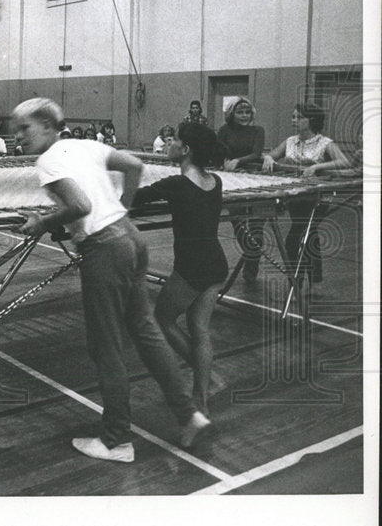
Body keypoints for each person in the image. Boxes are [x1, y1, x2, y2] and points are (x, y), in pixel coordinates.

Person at [11, 97, 209, 462]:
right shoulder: (86, 145)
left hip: (105, 249)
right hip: (130, 237)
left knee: (106, 347)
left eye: (25, 128)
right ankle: (189, 413)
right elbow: (134, 166)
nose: (17, 135)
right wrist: (124, 206)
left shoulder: (49, 159)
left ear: (49, 125)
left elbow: (81, 206)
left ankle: (117, 440)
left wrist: (43, 222)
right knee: (146, 333)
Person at [133, 123, 229, 416]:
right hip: (216, 263)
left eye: (173, 139)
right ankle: (203, 392)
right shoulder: (215, 181)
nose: (168, 143)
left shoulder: (176, 185)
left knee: (163, 318)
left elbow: (137, 198)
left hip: (192, 267)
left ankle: (208, 379)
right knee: (199, 328)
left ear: (185, 149)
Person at [262, 102, 350, 283]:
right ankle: (314, 277)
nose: (293, 120)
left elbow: (344, 162)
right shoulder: (290, 141)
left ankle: (296, 279)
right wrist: (269, 158)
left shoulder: (325, 143)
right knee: (310, 232)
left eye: (298, 117)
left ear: (311, 120)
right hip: (295, 194)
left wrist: (318, 166)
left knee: (295, 237)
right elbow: (271, 154)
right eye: (293, 116)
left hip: (317, 195)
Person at [217, 97, 266, 283]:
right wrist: (223, 160)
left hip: (255, 179)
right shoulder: (224, 130)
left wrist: (238, 161)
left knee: (257, 225)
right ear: (232, 114)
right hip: (232, 180)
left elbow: (256, 153)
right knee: (237, 220)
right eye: (240, 112)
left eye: (247, 112)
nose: (244, 115)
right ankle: (250, 251)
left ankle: (251, 264)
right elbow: (218, 149)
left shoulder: (258, 130)